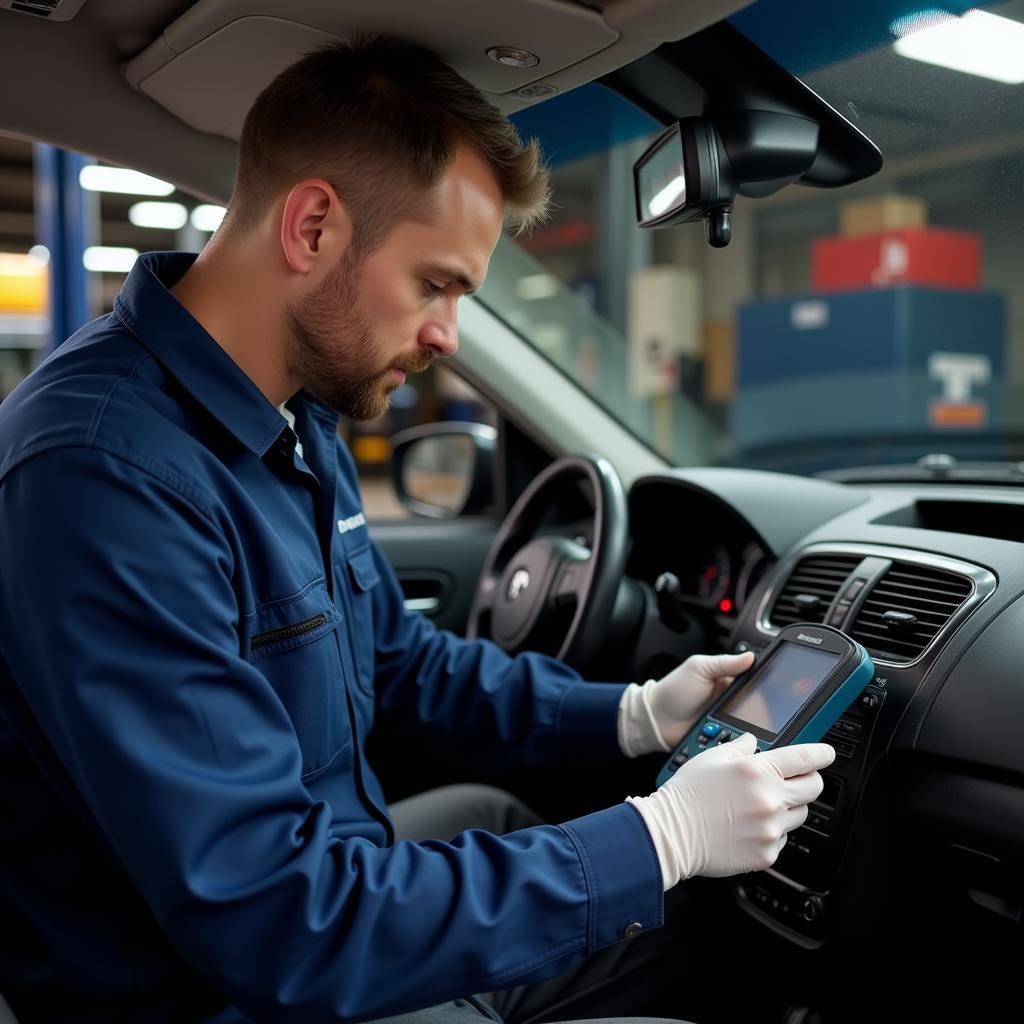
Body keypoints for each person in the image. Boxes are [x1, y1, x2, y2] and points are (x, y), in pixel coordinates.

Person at [0, 36, 834, 1024]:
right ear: (311, 228)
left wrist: (637, 714)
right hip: (229, 989)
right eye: (434, 284)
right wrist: (659, 839)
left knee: (631, 892)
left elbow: (395, 663)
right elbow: (279, 920)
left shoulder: (289, 411)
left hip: (320, 897)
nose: (445, 334)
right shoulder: (104, 478)